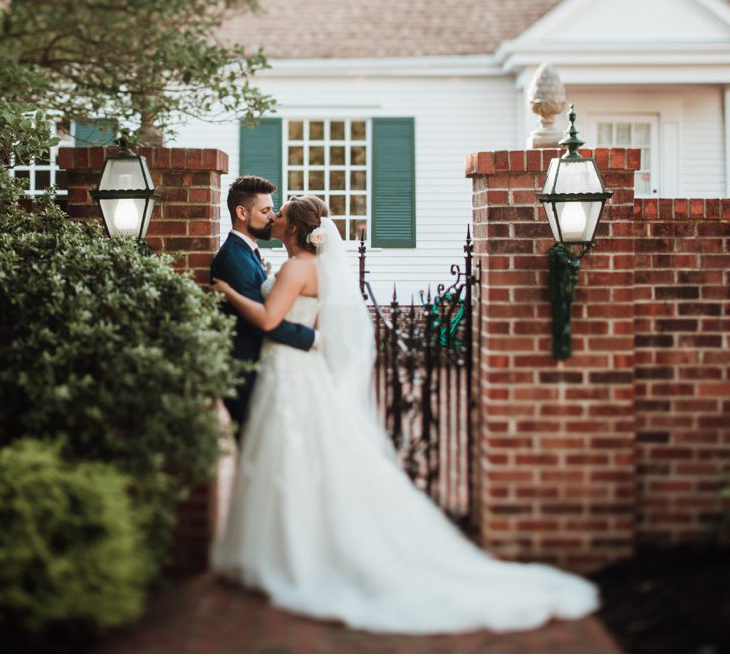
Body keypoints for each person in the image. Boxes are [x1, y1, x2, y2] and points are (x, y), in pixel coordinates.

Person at [209, 194, 599, 635]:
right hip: (299, 371)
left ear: (295, 230)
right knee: (304, 461)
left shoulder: (297, 268)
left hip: (291, 375)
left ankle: (292, 554)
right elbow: (315, 324)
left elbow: (266, 320)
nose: (273, 217)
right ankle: (294, 548)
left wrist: (225, 292)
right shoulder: (316, 269)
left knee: (291, 461)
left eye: (279, 214)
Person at [210, 176, 317, 444]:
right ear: (242, 213)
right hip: (246, 372)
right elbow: (262, 320)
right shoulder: (233, 258)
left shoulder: (248, 253)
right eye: (265, 211)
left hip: (266, 368)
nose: (271, 217)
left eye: (273, 211)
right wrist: (312, 338)